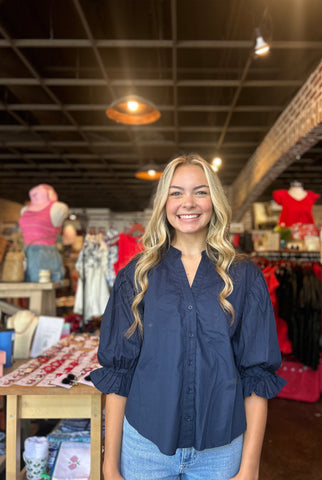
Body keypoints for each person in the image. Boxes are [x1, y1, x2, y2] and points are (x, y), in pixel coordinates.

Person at [91, 153, 286, 480]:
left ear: (215, 200)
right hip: (145, 448)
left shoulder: (245, 276)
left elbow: (257, 376)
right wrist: (110, 466)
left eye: (200, 191)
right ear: (164, 202)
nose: (188, 203)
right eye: (176, 192)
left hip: (221, 452)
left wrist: (249, 467)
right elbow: (118, 373)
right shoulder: (136, 275)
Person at [18, 184, 68, 282]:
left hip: (45, 255)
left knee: (43, 288)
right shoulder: (25, 210)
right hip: (25, 254)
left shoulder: (57, 208)